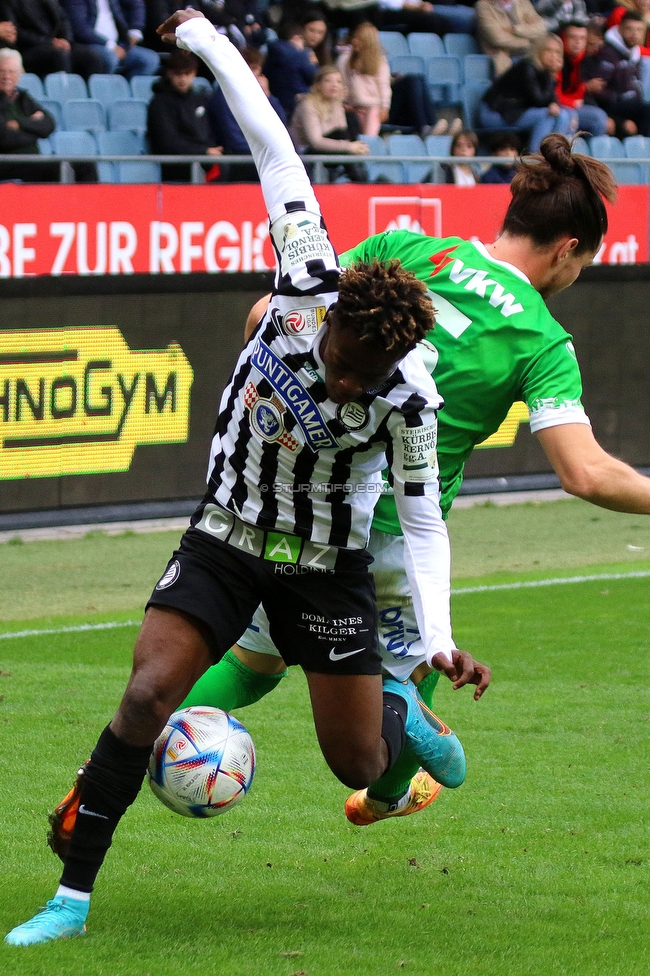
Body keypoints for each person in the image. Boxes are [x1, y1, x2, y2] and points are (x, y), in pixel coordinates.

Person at [6, 8, 488, 946]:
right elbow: (274, 149)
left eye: (364, 378)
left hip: (323, 565)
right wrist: (206, 38)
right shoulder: (309, 280)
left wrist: (435, 640)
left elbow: (423, 526)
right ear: (335, 314)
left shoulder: (410, 401)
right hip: (226, 532)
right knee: (148, 697)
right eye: (344, 359)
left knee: (355, 763)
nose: (347, 382)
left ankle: (402, 716)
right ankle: (70, 900)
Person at [162, 128, 650, 830]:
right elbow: (587, 472)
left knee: (255, 659)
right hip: (390, 535)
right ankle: (396, 781)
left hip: (302, 503)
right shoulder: (541, 340)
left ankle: (141, 737)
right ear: (569, 248)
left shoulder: (412, 248)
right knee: (405, 680)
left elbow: (268, 317)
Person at [479, 33, 577, 152]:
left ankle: (555, 155)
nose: (553, 56)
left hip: (518, 111)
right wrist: (551, 76)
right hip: (495, 112)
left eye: (557, 52)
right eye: (548, 50)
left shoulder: (544, 72)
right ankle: (536, 158)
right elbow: (538, 99)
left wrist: (554, 102)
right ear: (539, 50)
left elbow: (552, 100)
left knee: (564, 115)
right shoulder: (527, 67)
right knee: (547, 116)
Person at [208, 45, 287, 180]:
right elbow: (233, 138)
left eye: (255, 69)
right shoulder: (224, 95)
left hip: (261, 153)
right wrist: (266, 147)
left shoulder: (262, 94)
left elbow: (281, 125)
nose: (251, 74)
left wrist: (268, 97)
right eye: (247, 68)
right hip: (239, 158)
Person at [147, 46, 222, 182]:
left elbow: (209, 130)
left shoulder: (200, 98)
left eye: (187, 74)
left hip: (204, 157)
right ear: (169, 73)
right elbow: (167, 142)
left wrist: (210, 149)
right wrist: (203, 151)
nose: (183, 79)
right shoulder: (159, 103)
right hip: (174, 166)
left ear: (194, 74)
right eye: (178, 74)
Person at [289, 64, 370, 180]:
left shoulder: (337, 104)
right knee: (342, 136)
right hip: (304, 153)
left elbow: (341, 131)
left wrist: (350, 146)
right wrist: (348, 146)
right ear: (318, 84)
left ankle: (360, 179)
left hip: (328, 150)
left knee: (351, 122)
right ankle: (361, 180)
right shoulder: (308, 105)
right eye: (328, 81)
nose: (334, 86)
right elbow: (316, 141)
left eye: (339, 82)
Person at [0, 0, 105, 79]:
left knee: (92, 57)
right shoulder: (8, 2)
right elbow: (14, 32)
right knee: (59, 55)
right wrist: (50, 42)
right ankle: (64, 96)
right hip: (30, 48)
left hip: (55, 43)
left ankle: (86, 102)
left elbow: (63, 19)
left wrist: (65, 39)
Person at [587, 10, 650, 136]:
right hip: (611, 106)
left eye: (639, 30)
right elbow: (597, 90)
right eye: (630, 29)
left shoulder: (634, 53)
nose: (634, 34)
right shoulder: (608, 53)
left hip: (630, 105)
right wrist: (619, 98)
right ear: (620, 28)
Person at [60, 0, 160, 78]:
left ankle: (125, 97)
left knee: (149, 59)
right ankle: (104, 96)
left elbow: (133, 7)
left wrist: (128, 38)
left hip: (117, 45)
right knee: (109, 58)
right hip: (90, 45)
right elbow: (80, 30)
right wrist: (111, 46)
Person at [0, 46, 57, 182]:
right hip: (7, 163)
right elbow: (4, 138)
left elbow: (49, 124)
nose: (7, 77)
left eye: (12, 72)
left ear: (19, 75)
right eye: (2, 71)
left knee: (84, 166)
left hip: (32, 162)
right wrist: (34, 129)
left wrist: (20, 123)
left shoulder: (22, 97)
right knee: (58, 170)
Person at [557, 20, 612, 135]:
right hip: (556, 106)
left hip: (572, 104)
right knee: (570, 116)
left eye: (582, 38)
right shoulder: (556, 59)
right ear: (563, 38)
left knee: (600, 116)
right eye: (573, 37)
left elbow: (580, 91)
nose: (578, 42)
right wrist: (573, 103)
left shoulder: (584, 60)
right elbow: (553, 94)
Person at [336, 21, 391, 136]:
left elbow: (384, 86)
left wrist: (384, 107)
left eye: (359, 39)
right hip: (353, 107)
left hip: (372, 107)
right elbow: (341, 83)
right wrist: (343, 101)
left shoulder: (379, 62)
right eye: (355, 37)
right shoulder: (344, 60)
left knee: (369, 137)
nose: (355, 41)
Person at [263, 20, 318, 120]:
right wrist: (313, 63)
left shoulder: (271, 53)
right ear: (297, 38)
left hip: (276, 102)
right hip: (296, 103)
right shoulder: (301, 55)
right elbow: (315, 76)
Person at [476, 0, 547, 76]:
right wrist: (528, 42)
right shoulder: (483, 5)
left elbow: (542, 28)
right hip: (501, 52)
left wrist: (515, 30)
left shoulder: (523, 1)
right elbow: (498, 39)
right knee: (501, 62)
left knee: (548, 52)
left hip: (526, 50)